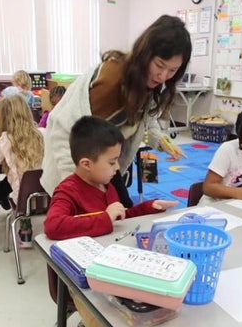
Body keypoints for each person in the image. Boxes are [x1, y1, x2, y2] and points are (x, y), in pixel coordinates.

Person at [44, 116, 177, 327]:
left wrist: (149, 208)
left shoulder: (109, 184)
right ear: (86, 164)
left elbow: (124, 213)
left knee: (166, 301)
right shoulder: (69, 189)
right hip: (84, 280)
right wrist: (104, 217)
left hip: (118, 268)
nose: (118, 167)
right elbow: (54, 225)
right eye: (113, 161)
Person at [41, 14, 191, 206]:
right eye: (160, 65)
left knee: (121, 213)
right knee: (89, 220)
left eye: (172, 71)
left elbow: (146, 115)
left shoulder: (146, 80)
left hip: (105, 162)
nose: (163, 76)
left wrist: (160, 139)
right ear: (144, 54)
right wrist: (74, 189)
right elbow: (66, 132)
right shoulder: (112, 82)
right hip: (76, 165)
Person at [0, 94, 44, 224]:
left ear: (2, 118)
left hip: (23, 201)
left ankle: (24, 232)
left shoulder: (6, 139)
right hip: (48, 196)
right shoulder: (43, 133)